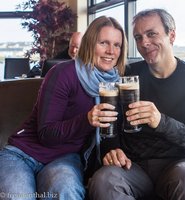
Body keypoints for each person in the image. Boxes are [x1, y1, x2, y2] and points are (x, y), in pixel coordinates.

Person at [88, 8, 185, 200]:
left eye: (151, 34)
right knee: (104, 179)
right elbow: (111, 127)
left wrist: (161, 122)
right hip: (132, 167)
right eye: (138, 37)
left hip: (179, 166)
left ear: (172, 35)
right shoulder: (124, 75)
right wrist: (112, 150)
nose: (144, 43)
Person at [0, 16, 127, 200]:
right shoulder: (63, 73)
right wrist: (86, 120)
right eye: (104, 43)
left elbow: (110, 135)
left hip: (65, 158)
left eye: (117, 45)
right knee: (18, 196)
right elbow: (46, 134)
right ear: (90, 43)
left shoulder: (115, 83)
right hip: (23, 154)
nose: (111, 51)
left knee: (66, 190)